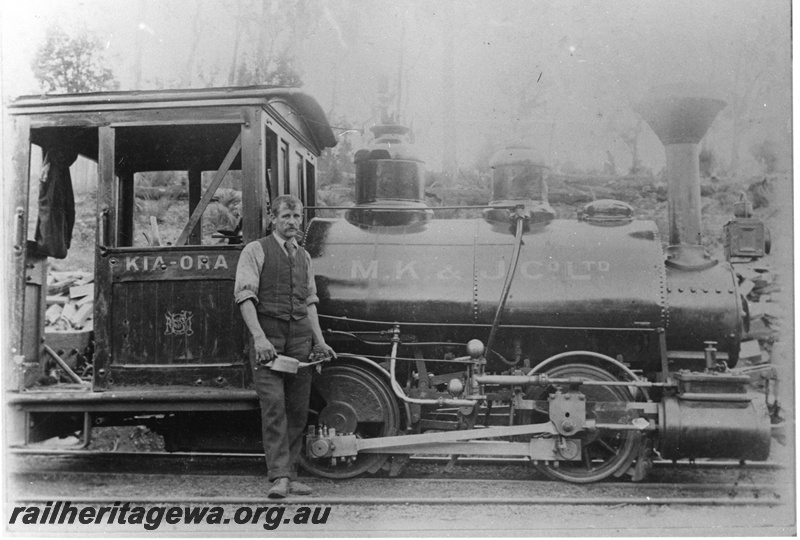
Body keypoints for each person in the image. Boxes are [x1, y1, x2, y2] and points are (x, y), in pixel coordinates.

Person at [234, 194, 336, 498]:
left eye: (296, 217)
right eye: (286, 217)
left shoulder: (303, 256)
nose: (292, 222)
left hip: (300, 338)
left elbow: (310, 302)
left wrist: (320, 341)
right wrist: (259, 337)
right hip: (270, 337)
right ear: (273, 220)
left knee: (297, 408)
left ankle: (290, 475)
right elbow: (244, 297)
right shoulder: (256, 250)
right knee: (275, 407)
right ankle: (278, 476)